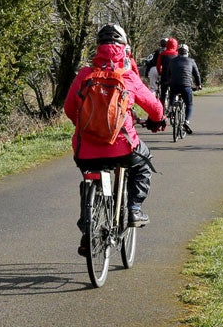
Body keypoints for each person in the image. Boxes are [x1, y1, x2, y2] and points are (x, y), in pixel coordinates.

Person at [64, 24, 166, 256]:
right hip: (122, 147)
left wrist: (86, 127)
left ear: (98, 47)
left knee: (89, 178)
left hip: (85, 150)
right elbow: (154, 109)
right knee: (143, 162)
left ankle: (87, 225)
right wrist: (158, 120)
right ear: (124, 48)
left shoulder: (84, 74)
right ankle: (134, 209)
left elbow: (69, 108)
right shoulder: (127, 75)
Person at [164, 44, 203, 134]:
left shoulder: (172, 61)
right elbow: (196, 74)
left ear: (178, 52)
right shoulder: (191, 61)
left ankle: (171, 109)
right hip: (186, 86)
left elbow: (168, 73)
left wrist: (168, 81)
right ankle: (186, 122)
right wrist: (199, 85)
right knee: (189, 104)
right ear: (187, 53)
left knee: (172, 96)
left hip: (174, 85)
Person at [154, 38, 179, 104]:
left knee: (163, 94)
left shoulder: (162, 54)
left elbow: (158, 65)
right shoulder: (177, 54)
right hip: (174, 77)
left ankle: (162, 111)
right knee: (174, 92)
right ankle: (173, 105)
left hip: (164, 76)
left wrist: (160, 73)